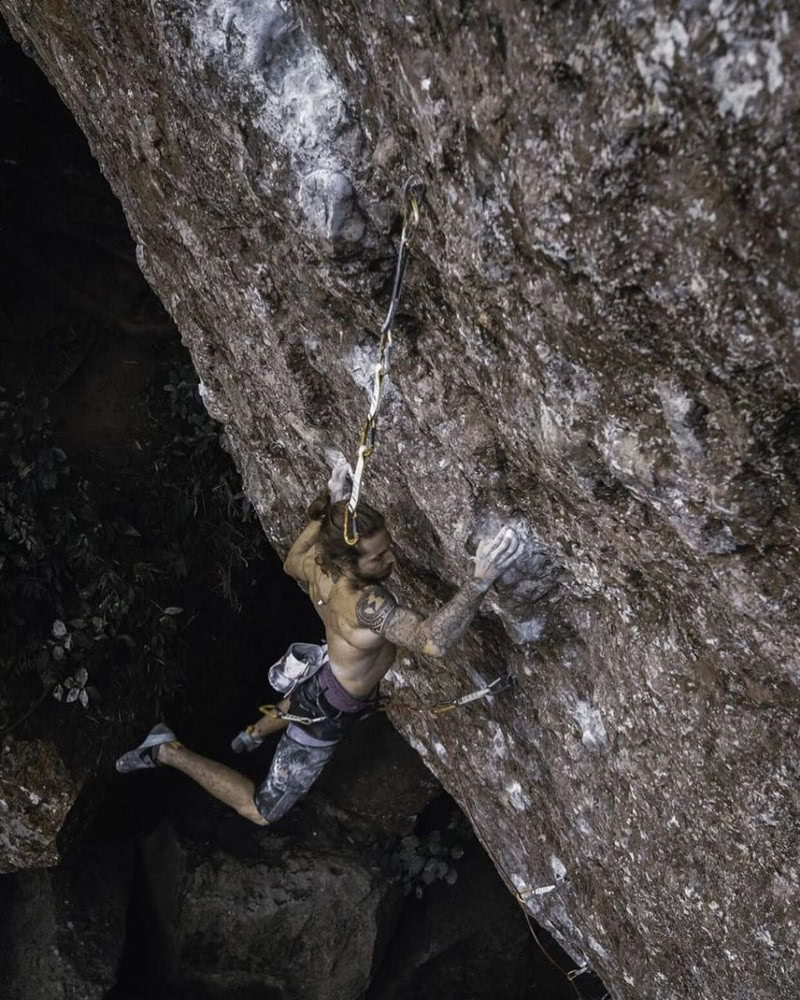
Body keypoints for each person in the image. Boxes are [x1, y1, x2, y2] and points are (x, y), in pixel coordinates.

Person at [115, 461, 521, 825]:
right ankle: (167, 751)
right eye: (378, 558)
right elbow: (431, 641)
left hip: (328, 678)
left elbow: (291, 560)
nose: (391, 560)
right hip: (330, 709)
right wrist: (479, 582)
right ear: (349, 561)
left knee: (314, 691)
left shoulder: (320, 567)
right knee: (261, 810)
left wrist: (330, 500)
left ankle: (253, 734)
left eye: (387, 548)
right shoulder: (367, 604)